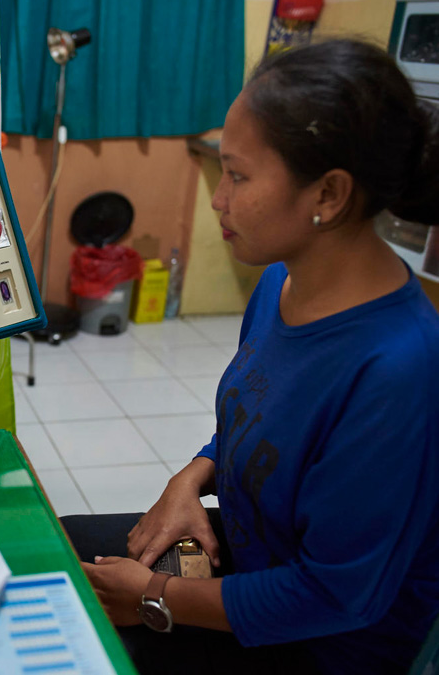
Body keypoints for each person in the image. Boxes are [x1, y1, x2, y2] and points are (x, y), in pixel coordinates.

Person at [62, 39, 439, 675]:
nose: (218, 198)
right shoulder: (281, 286)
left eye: (237, 176)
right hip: (252, 556)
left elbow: (334, 595)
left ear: (328, 195)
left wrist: (156, 596)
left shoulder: (399, 369)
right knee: (56, 546)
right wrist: (193, 476)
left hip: (322, 644)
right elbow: (260, 420)